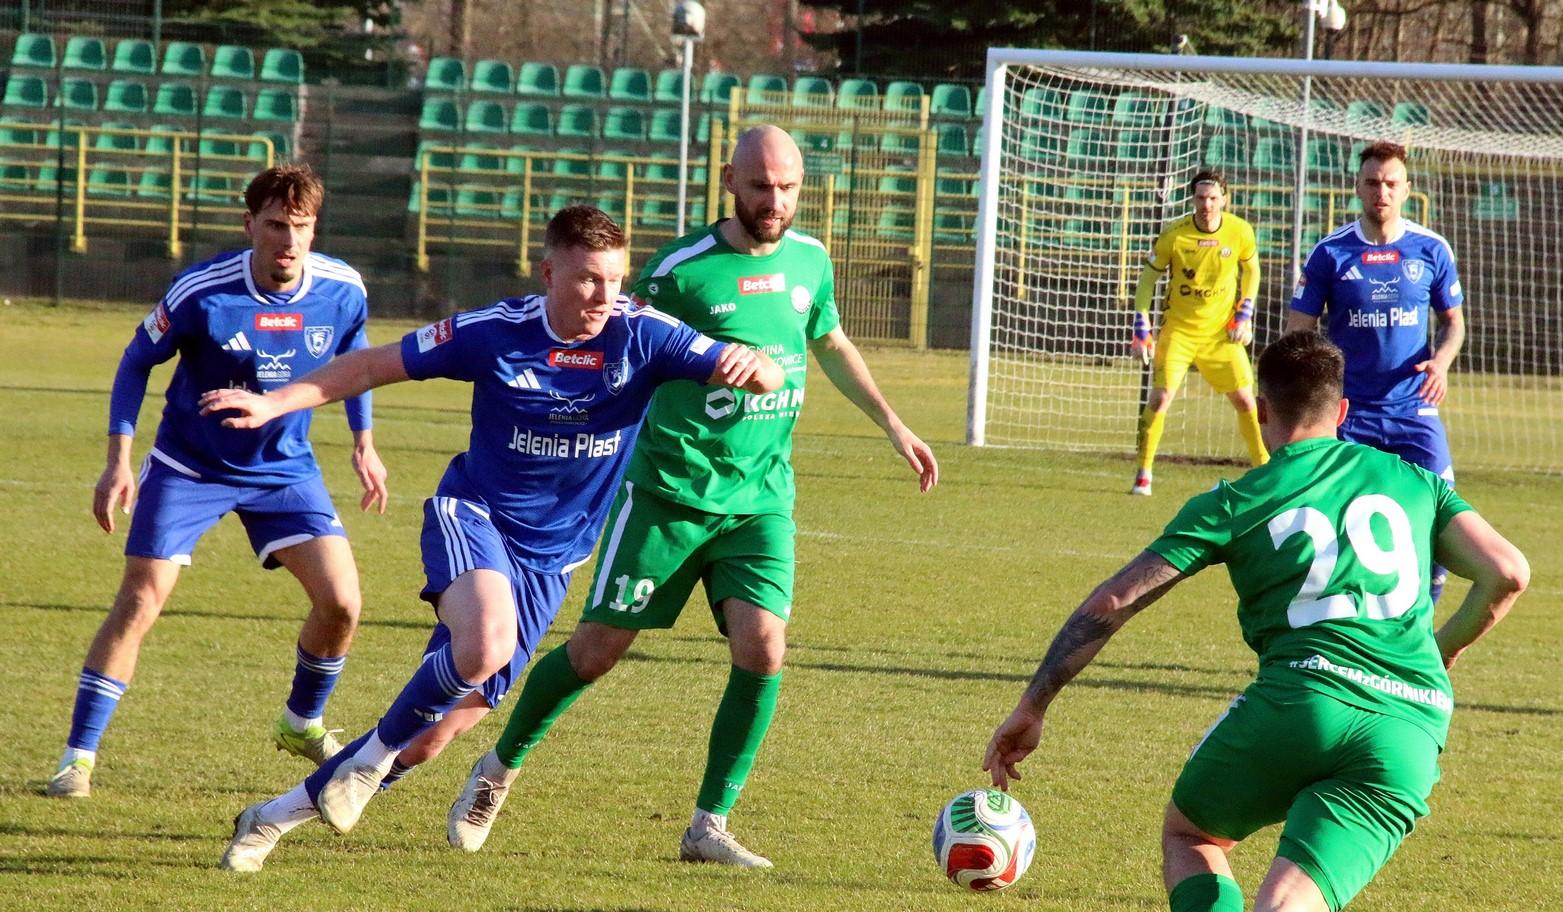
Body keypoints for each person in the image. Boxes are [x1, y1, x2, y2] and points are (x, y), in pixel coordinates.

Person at [983, 330, 1528, 912]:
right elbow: (1506, 573)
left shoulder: (1236, 498)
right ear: (1342, 411)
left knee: (1193, 836)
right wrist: (1441, 649)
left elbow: (1114, 600)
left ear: (1262, 410)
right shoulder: (1411, 480)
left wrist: (1034, 704)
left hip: (1302, 695)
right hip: (1409, 723)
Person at [209, 205, 784, 871]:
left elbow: (758, 372)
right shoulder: (496, 332)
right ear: (548, 273)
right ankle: (363, 766)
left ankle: (270, 819)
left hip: (552, 561)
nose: (604, 296)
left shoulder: (645, 335)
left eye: (615, 281)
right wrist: (274, 403)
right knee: (483, 644)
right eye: (587, 280)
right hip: (474, 517)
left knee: (425, 744)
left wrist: (754, 368)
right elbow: (370, 365)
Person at [440, 124, 939, 868]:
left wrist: (892, 423)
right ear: (728, 179)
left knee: (764, 647)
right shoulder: (681, 270)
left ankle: (709, 824)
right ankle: (497, 769)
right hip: (667, 493)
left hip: (760, 497)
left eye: (788, 187)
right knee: (595, 652)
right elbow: (617, 342)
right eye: (761, 185)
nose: (775, 201)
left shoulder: (810, 261)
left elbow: (827, 340)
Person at [46, 164, 387, 799]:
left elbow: (356, 359)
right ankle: (78, 758)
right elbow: (135, 362)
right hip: (190, 467)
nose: (289, 242)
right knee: (141, 601)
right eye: (276, 226)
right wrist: (118, 459)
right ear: (249, 225)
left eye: (302, 228)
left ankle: (301, 722)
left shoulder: (342, 288)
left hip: (285, 469)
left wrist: (364, 444)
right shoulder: (202, 292)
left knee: (342, 603)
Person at [1286, 140, 1465, 600]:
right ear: (1357, 187)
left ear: (1407, 189)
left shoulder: (1431, 250)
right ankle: (1341, 620)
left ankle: (1421, 617)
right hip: (1348, 411)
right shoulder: (1330, 253)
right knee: (1332, 519)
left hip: (1413, 408)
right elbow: (1299, 330)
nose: (1380, 192)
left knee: (1444, 513)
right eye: (1371, 182)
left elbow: (1454, 324)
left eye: (1390, 183)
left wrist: (1440, 363)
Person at [1130, 170, 1266, 497]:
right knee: (1160, 398)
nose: (1207, 204)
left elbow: (1252, 270)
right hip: (1179, 332)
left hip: (1220, 335)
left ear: (1224, 199)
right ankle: (1143, 473)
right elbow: (1148, 280)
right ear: (1193, 199)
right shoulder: (1175, 235)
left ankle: (1264, 469)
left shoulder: (1239, 232)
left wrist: (1244, 312)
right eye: (1201, 198)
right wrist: (1141, 326)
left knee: (1247, 399)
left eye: (1213, 198)